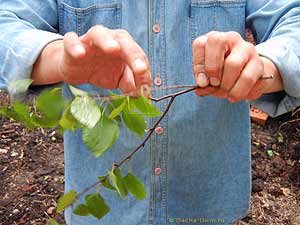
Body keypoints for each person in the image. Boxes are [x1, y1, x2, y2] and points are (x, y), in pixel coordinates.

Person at [0, 1, 300, 224]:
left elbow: (293, 19)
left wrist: (262, 66)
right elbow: (6, 22)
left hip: (208, 201)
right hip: (105, 207)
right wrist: (58, 57)